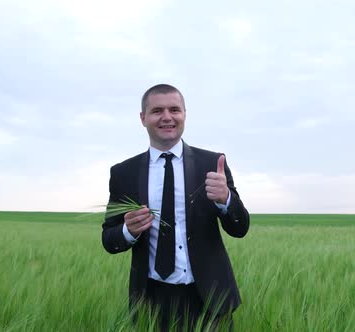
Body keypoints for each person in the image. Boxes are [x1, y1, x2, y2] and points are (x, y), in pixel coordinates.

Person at [102, 84, 250, 330]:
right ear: (143, 118)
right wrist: (129, 230)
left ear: (184, 114)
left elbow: (240, 228)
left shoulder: (213, 163)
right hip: (151, 301)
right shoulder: (123, 173)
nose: (167, 117)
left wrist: (226, 200)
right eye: (157, 110)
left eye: (174, 109)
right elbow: (109, 239)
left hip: (210, 298)